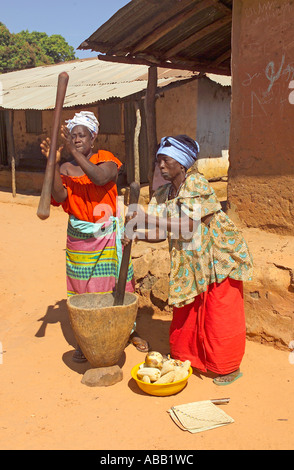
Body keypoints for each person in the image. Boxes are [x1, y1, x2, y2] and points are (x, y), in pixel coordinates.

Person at [124, 135, 253, 385]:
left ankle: (227, 367)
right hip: (190, 257)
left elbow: (188, 226)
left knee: (218, 311)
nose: (161, 165)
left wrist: (145, 218)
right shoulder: (164, 192)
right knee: (189, 310)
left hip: (217, 255)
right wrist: (136, 235)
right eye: (158, 160)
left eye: (166, 160)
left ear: (182, 163)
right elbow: (163, 233)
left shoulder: (197, 184)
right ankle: (188, 357)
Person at [40, 111, 148, 362]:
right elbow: (59, 197)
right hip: (79, 236)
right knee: (82, 288)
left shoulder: (106, 160)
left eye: (81, 135)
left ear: (93, 139)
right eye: (73, 135)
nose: (77, 139)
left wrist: (70, 150)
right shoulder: (66, 167)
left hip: (107, 234)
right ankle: (87, 338)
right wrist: (54, 163)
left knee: (118, 284)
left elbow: (100, 178)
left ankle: (128, 332)